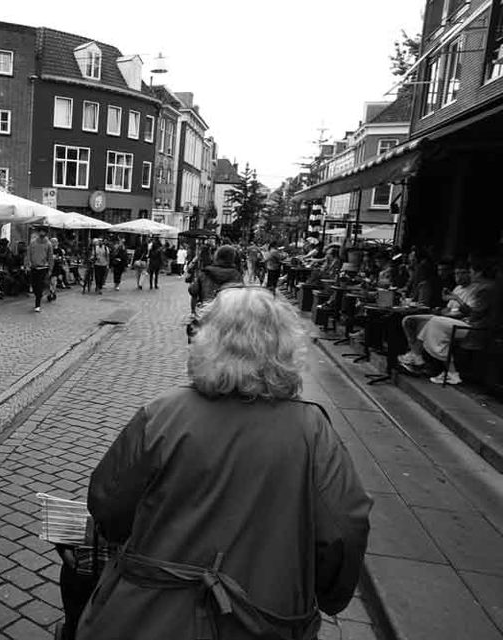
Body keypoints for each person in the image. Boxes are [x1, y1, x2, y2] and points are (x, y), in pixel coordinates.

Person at [77, 286, 372, 640]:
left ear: (208, 340)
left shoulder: (163, 415)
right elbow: (345, 526)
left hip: (153, 613)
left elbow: (108, 503)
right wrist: (328, 593)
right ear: (285, 348)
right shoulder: (312, 431)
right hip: (265, 619)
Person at [397, 259, 495, 385]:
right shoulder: (458, 288)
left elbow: (472, 313)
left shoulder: (483, 289)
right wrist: (443, 309)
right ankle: (416, 355)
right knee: (410, 320)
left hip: (467, 324)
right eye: (456, 273)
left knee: (433, 323)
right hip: (450, 318)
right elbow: (449, 308)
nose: (459, 276)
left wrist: (456, 299)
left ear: (477, 273)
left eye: (465, 272)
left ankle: (451, 372)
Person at [26, 226, 54, 312]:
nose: (42, 233)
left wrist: (50, 269)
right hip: (34, 267)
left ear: (46, 233)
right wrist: (27, 264)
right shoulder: (33, 243)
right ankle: (39, 295)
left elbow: (50, 257)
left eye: (43, 232)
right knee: (34, 285)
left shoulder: (48, 244)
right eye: (40, 231)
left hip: (43, 267)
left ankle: (37, 304)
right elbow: (28, 254)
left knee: (39, 286)